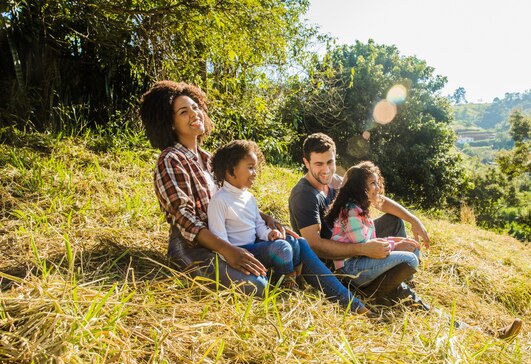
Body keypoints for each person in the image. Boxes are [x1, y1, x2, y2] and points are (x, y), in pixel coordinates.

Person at [139, 81, 370, 315]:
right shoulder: (171, 159)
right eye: (183, 112)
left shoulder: (209, 159)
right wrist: (228, 250)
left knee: (297, 242)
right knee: (256, 287)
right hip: (192, 246)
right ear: (170, 123)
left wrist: (264, 217)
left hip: (229, 234)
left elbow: (232, 198)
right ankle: (279, 278)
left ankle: (351, 303)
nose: (194, 114)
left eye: (195, 107)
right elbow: (184, 217)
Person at [289, 133, 522, 339]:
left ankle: (397, 279)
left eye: (330, 162)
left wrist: (415, 220)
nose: (326, 169)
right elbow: (315, 247)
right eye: (319, 164)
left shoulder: (335, 181)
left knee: (394, 221)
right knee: (412, 300)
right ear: (306, 162)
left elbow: (378, 200)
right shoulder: (304, 195)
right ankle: (479, 334)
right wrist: (364, 249)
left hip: (356, 242)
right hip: (344, 267)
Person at [207, 140, 302, 288]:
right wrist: (232, 257)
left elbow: (258, 224)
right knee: (282, 248)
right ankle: (285, 286)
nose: (255, 173)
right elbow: (220, 239)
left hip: (256, 246)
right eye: (250, 168)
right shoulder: (219, 200)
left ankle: (292, 276)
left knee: (292, 242)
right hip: (240, 253)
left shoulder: (249, 197)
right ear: (231, 169)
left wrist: (268, 234)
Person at [325, 161, 422, 289]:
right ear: (360, 187)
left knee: (412, 247)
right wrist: (396, 246)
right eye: (372, 183)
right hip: (351, 269)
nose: (377, 187)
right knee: (411, 259)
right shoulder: (351, 212)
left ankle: (403, 283)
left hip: (363, 259)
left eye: (377, 182)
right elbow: (366, 248)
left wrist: (395, 240)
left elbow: (371, 241)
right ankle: (385, 289)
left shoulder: (361, 208)